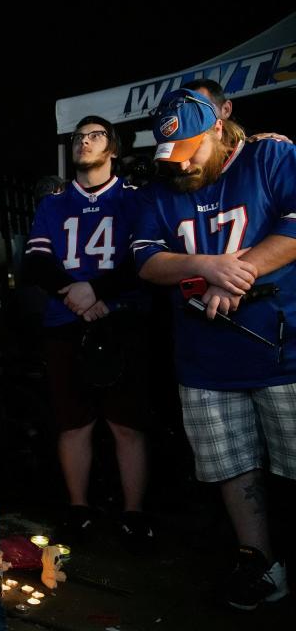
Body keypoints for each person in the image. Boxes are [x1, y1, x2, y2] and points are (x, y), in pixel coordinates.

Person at [132, 87, 295, 609]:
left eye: (191, 152)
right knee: (231, 464)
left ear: (220, 130)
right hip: (204, 358)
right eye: (173, 156)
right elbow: (146, 259)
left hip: (282, 347)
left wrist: (234, 274)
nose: (181, 166)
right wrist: (205, 266)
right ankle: (261, 563)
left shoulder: (270, 155)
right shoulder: (163, 185)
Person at [23, 117, 154, 546]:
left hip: (122, 320)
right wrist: (73, 294)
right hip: (66, 322)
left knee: (126, 424)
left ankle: (133, 514)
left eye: (95, 136)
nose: (84, 142)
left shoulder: (136, 199)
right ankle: (79, 508)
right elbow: (37, 263)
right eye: (79, 137)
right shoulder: (53, 204)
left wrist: (95, 290)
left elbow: (145, 263)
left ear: (112, 147)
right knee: (72, 422)